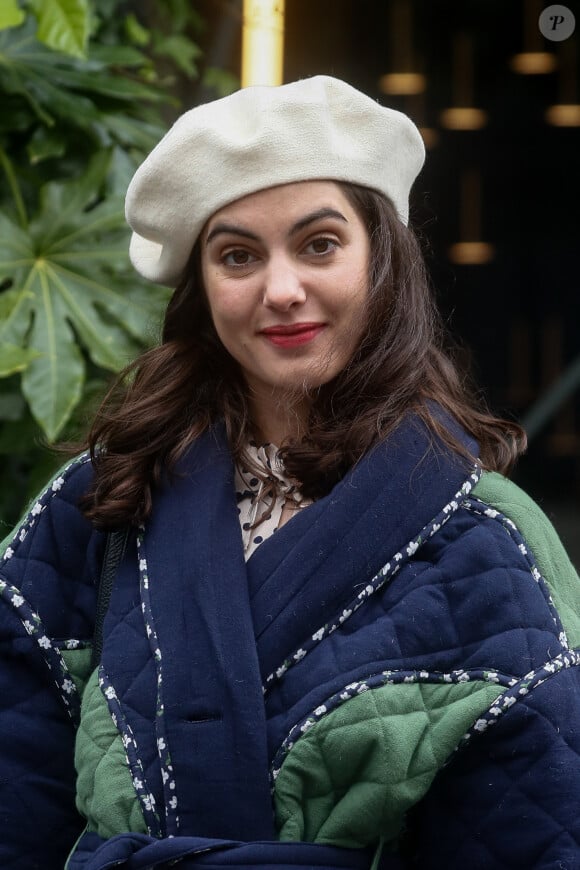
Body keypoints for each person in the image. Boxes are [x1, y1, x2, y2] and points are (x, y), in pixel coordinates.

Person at [1, 75, 579, 870]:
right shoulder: (102, 502)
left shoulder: (490, 540)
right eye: (237, 254)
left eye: (319, 244)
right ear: (202, 288)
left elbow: (538, 829)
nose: (281, 290)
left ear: (382, 261)